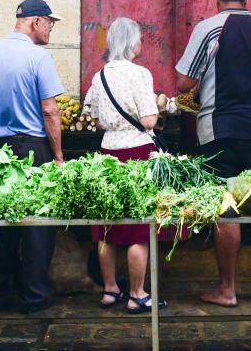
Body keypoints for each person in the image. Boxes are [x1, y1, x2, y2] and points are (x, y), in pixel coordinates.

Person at [175, 0, 251, 307]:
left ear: (218, 0)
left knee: (226, 207)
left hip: (219, 130)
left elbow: (184, 83)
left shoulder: (208, 28)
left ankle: (227, 290)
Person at [0, 0, 64, 313]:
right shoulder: (38, 56)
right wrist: (58, 156)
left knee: (0, 218)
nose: (51, 28)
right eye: (50, 22)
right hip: (31, 149)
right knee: (38, 224)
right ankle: (34, 297)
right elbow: (50, 110)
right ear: (36, 21)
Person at [84, 16, 167, 314]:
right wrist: (159, 103)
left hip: (108, 152)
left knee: (107, 227)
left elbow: (92, 118)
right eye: (140, 39)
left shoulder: (99, 75)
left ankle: (109, 290)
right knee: (137, 228)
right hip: (137, 153)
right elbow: (148, 121)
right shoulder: (139, 74)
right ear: (131, 42)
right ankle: (137, 294)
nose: (141, 43)